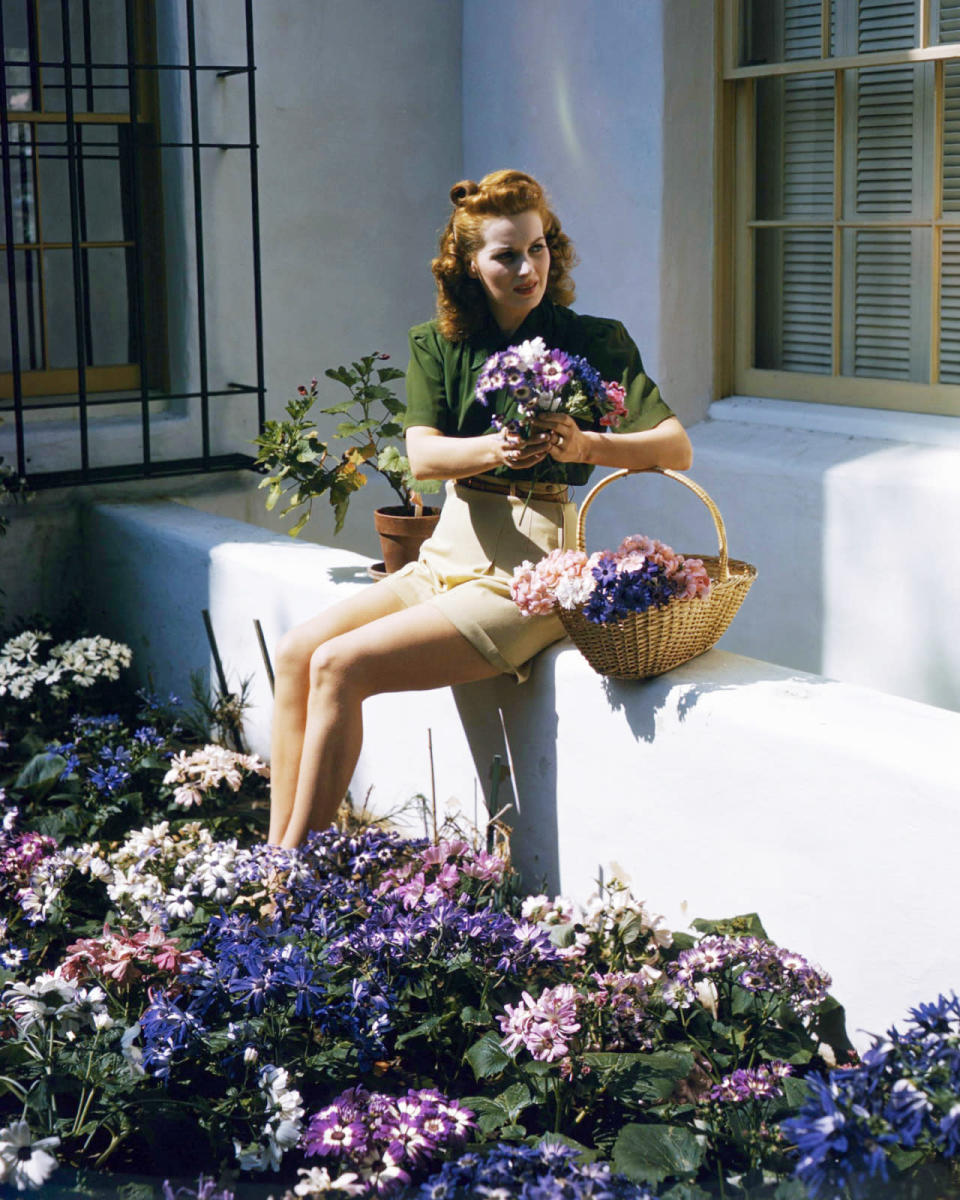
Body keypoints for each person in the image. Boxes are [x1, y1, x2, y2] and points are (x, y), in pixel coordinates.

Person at [267, 169, 692, 848]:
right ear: (469, 266)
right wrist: (499, 448)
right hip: (446, 555)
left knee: (340, 667)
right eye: (507, 255)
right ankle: (273, 864)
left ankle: (295, 874)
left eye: (539, 248)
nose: (530, 269)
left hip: (527, 573)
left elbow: (675, 447)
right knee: (297, 654)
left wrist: (587, 443)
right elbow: (425, 458)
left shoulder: (593, 340)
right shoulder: (437, 345)